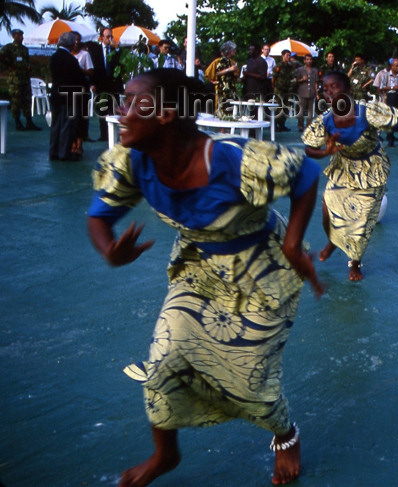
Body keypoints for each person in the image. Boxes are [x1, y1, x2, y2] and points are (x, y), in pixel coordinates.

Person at [86, 68, 324, 487]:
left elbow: (305, 174)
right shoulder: (132, 163)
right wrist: (109, 251)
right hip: (198, 269)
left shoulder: (231, 160)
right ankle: (166, 454)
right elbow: (99, 217)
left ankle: (285, 434)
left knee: (251, 378)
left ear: (165, 114)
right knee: (163, 360)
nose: (119, 112)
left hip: (261, 271)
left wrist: (293, 244)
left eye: (130, 101)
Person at [302, 72, 398, 281]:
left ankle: (355, 263)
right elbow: (309, 149)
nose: (328, 92)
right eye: (325, 87)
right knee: (328, 210)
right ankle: (333, 241)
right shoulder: (326, 120)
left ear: (347, 90)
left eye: (334, 87)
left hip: (370, 168)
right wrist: (325, 152)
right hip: (343, 166)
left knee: (361, 221)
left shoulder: (368, 112)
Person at [49, 32, 88, 161]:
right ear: (71, 44)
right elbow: (79, 77)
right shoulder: (71, 59)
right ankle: (64, 153)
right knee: (66, 125)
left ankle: (53, 151)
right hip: (68, 95)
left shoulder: (54, 57)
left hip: (55, 94)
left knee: (55, 125)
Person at [0, 29, 41, 130]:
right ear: (14, 36)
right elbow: (1, 55)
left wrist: (28, 66)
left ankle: (29, 122)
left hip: (25, 78)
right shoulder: (9, 47)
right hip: (15, 79)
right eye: (18, 35)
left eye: (22, 35)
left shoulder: (24, 49)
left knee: (27, 100)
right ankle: (18, 122)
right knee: (16, 101)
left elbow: (26, 61)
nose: (21, 38)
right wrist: (9, 64)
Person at [87, 27, 123, 141]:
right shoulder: (95, 50)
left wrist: (117, 49)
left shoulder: (114, 51)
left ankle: (113, 135)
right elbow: (92, 68)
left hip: (113, 84)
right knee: (102, 109)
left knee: (113, 110)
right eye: (107, 36)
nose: (109, 39)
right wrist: (92, 83)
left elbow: (121, 64)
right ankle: (103, 135)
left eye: (111, 36)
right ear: (102, 37)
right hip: (100, 83)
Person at [71, 31, 94, 155]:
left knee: (80, 118)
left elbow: (91, 72)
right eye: (74, 39)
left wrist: (80, 70)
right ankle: (72, 143)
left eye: (78, 40)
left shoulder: (85, 55)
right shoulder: (67, 55)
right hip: (69, 91)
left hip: (82, 90)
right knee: (71, 118)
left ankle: (79, 145)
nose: (76, 42)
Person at [272, 49, 296, 132]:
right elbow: (273, 78)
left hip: (287, 89)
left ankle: (282, 125)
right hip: (279, 89)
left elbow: (292, 77)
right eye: (287, 55)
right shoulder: (278, 66)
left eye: (289, 55)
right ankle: (275, 125)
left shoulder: (290, 66)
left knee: (286, 107)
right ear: (282, 56)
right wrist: (274, 87)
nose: (288, 57)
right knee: (278, 107)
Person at [213, 41, 239, 120]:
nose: (235, 51)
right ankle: (222, 128)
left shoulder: (230, 61)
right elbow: (217, 73)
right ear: (229, 51)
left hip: (230, 87)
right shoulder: (222, 60)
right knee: (223, 106)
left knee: (230, 106)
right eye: (233, 50)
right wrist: (229, 69)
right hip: (224, 87)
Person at [295, 53, 319, 131]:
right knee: (301, 110)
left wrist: (317, 93)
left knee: (310, 112)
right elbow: (296, 80)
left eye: (310, 59)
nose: (309, 61)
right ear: (304, 61)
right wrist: (302, 79)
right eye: (307, 59)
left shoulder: (315, 70)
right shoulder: (300, 69)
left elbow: (316, 82)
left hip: (311, 92)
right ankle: (300, 126)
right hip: (302, 92)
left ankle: (309, 126)